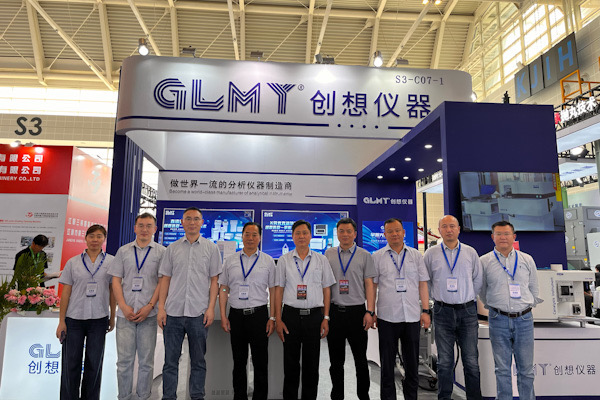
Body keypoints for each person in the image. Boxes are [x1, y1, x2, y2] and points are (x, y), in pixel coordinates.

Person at [158, 207, 222, 400]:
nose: (192, 222)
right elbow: (165, 279)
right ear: (182, 223)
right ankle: (168, 397)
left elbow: (214, 281)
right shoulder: (172, 248)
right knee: (170, 362)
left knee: (198, 362)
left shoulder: (211, 248)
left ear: (202, 222)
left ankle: (197, 396)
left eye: (196, 219)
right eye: (188, 219)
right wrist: (161, 308)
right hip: (173, 313)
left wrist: (210, 308)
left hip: (198, 313)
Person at [479, 221, 542, 400]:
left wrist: (526, 306)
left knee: (526, 369)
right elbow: (482, 291)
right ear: (493, 237)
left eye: (506, 234)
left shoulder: (526, 259)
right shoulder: (484, 261)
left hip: (524, 320)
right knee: (502, 369)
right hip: (498, 318)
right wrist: (494, 306)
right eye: (498, 234)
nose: (503, 237)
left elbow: (534, 288)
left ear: (514, 237)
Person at [274, 219, 336, 400]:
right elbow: (279, 290)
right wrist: (278, 319)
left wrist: (326, 317)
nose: (301, 236)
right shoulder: (284, 260)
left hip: (314, 317)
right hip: (290, 316)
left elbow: (327, 289)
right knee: (290, 365)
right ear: (292, 236)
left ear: (310, 235)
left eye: (305, 233)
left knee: (311, 365)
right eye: (297, 233)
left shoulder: (321, 260)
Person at [424, 215, 483, 400]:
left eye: (452, 226)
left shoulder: (470, 252)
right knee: (444, 362)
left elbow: (478, 279)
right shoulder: (430, 254)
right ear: (439, 230)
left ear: (458, 229)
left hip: (467, 311)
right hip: (442, 311)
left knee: (471, 362)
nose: (448, 230)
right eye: (444, 226)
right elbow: (425, 282)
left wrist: (467, 296)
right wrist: (435, 299)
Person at [108, 213, 166, 400]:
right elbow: (116, 280)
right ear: (135, 228)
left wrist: (150, 306)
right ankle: (123, 396)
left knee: (146, 362)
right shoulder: (123, 251)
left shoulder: (161, 252)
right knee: (124, 362)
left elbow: (162, 282)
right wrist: (123, 306)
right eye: (141, 225)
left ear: (154, 229)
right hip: (125, 315)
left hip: (148, 315)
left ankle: (143, 396)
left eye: (149, 226)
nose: (144, 229)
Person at [372, 218, 430, 400]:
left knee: (412, 364)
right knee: (387, 365)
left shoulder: (416, 256)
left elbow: (422, 284)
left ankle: (411, 397)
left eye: (397, 230)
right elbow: (372, 286)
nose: (394, 234)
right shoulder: (377, 257)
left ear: (404, 232)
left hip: (411, 316)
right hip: (387, 317)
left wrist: (425, 311)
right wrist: (371, 311)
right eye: (390, 231)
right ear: (385, 234)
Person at [56, 224, 116, 400]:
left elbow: (113, 291)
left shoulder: (111, 262)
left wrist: (112, 317)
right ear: (85, 238)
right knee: (71, 363)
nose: (95, 240)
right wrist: (61, 321)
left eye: (99, 236)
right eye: (91, 236)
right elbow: (66, 293)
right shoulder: (73, 262)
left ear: (104, 239)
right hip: (74, 318)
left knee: (94, 364)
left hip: (99, 319)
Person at [218, 222, 277, 400]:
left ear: (260, 237)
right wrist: (223, 315)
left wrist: (272, 317)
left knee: (260, 362)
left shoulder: (268, 261)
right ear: (242, 236)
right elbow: (224, 287)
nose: (250, 238)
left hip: (259, 315)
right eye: (247, 234)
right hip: (236, 316)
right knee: (239, 362)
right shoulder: (231, 260)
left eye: (254, 235)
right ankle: (239, 396)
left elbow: (273, 290)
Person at [324, 217, 376, 400]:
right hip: (335, 313)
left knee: (360, 361)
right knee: (335, 362)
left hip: (357, 313)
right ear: (337, 234)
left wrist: (370, 311)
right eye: (341, 231)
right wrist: (325, 315)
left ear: (355, 234)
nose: (345, 234)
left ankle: (364, 396)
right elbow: (325, 285)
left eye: (348, 231)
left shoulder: (364, 255)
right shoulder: (328, 254)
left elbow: (369, 284)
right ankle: (337, 396)